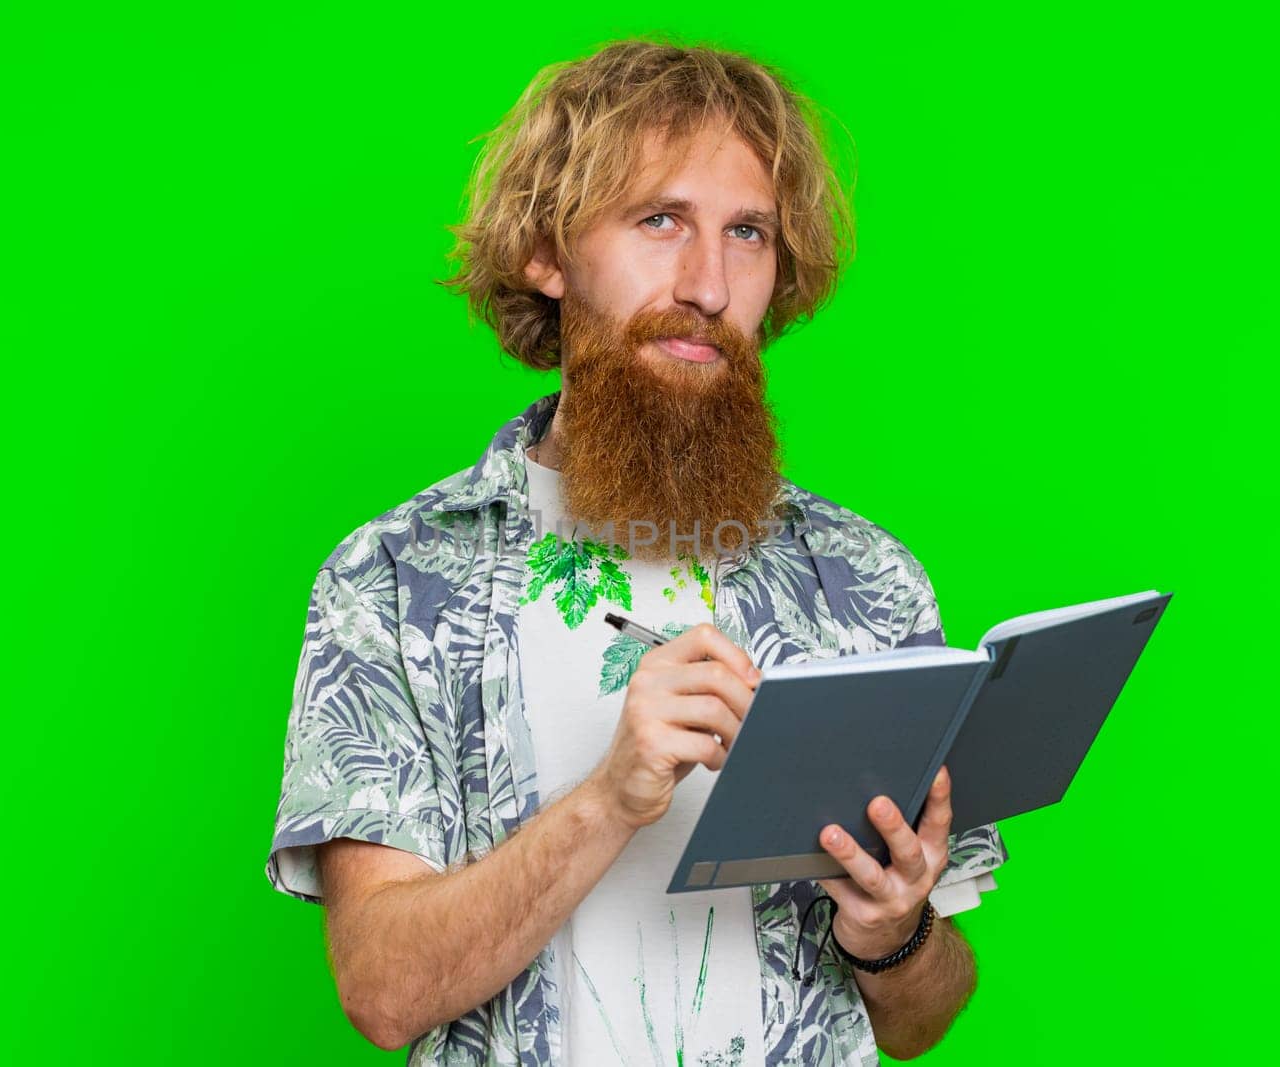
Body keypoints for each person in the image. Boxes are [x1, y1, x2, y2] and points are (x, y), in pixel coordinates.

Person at [264, 37, 1008, 1066]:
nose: (707, 282)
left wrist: (894, 933)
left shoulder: (866, 578)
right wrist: (611, 796)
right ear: (546, 249)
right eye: (659, 219)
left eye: (747, 231)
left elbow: (923, 1016)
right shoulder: (394, 578)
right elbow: (384, 992)